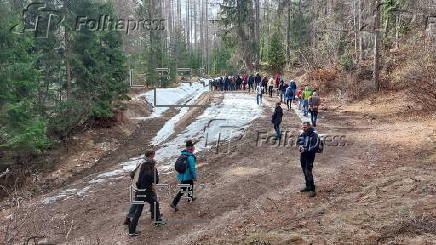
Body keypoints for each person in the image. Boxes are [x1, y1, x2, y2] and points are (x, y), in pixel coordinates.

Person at [127, 150, 164, 236]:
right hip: (146, 193)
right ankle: (157, 221)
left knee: (138, 212)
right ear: (152, 164)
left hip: (139, 192)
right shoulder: (151, 171)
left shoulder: (143, 168)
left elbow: (138, 182)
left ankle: (131, 231)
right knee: (155, 203)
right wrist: (156, 173)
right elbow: (156, 181)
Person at [170, 140, 198, 212]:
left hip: (182, 175)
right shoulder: (190, 157)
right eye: (193, 146)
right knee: (183, 189)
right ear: (191, 148)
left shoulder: (183, 154)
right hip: (187, 176)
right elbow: (192, 168)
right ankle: (174, 203)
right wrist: (194, 177)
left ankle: (190, 198)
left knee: (190, 185)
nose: (194, 148)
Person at [296, 122, 320, 197]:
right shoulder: (303, 134)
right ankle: (308, 186)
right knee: (304, 170)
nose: (303, 128)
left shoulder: (314, 135)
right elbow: (298, 142)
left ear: (309, 127)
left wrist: (305, 149)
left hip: (310, 156)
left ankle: (312, 189)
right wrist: (300, 146)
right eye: (303, 127)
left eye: (305, 127)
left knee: (308, 171)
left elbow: (315, 147)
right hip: (302, 155)